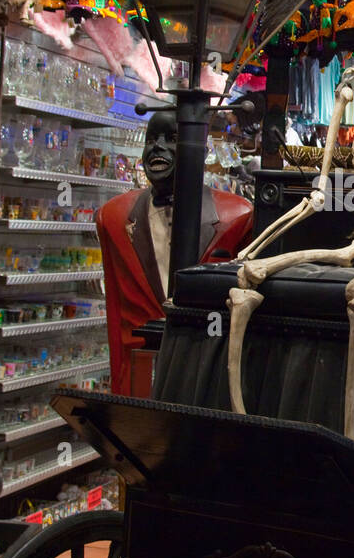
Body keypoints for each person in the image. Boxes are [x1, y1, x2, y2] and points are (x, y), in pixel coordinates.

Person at [96, 111, 253, 395]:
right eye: (151, 139)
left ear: (200, 150)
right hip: (140, 372)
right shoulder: (114, 219)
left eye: (172, 138)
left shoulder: (238, 216)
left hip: (207, 370)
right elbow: (116, 314)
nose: (158, 147)